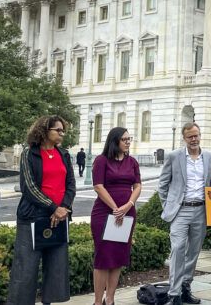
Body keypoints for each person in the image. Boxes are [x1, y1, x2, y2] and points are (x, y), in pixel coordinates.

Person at [6, 115, 76, 305]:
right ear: (45, 130)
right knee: (26, 269)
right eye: (58, 130)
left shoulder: (64, 154)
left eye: (63, 130)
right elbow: (29, 188)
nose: (62, 133)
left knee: (55, 268)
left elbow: (70, 184)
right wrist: (54, 207)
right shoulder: (29, 154)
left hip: (59, 218)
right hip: (32, 217)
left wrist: (64, 208)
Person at [159, 122, 211, 305]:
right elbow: (163, 185)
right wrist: (169, 207)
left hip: (201, 210)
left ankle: (185, 287)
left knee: (193, 252)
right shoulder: (174, 156)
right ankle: (174, 294)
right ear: (184, 138)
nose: (194, 139)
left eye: (196, 135)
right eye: (190, 136)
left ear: (200, 135)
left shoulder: (209, 157)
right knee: (177, 249)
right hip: (180, 210)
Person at [91, 127, 143, 305]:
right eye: (125, 139)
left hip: (127, 213)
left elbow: (137, 186)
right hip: (105, 213)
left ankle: (110, 299)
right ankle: (98, 301)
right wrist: (116, 208)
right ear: (115, 141)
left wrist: (128, 205)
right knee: (103, 257)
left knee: (118, 257)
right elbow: (98, 186)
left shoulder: (133, 162)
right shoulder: (101, 160)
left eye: (130, 139)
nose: (128, 142)